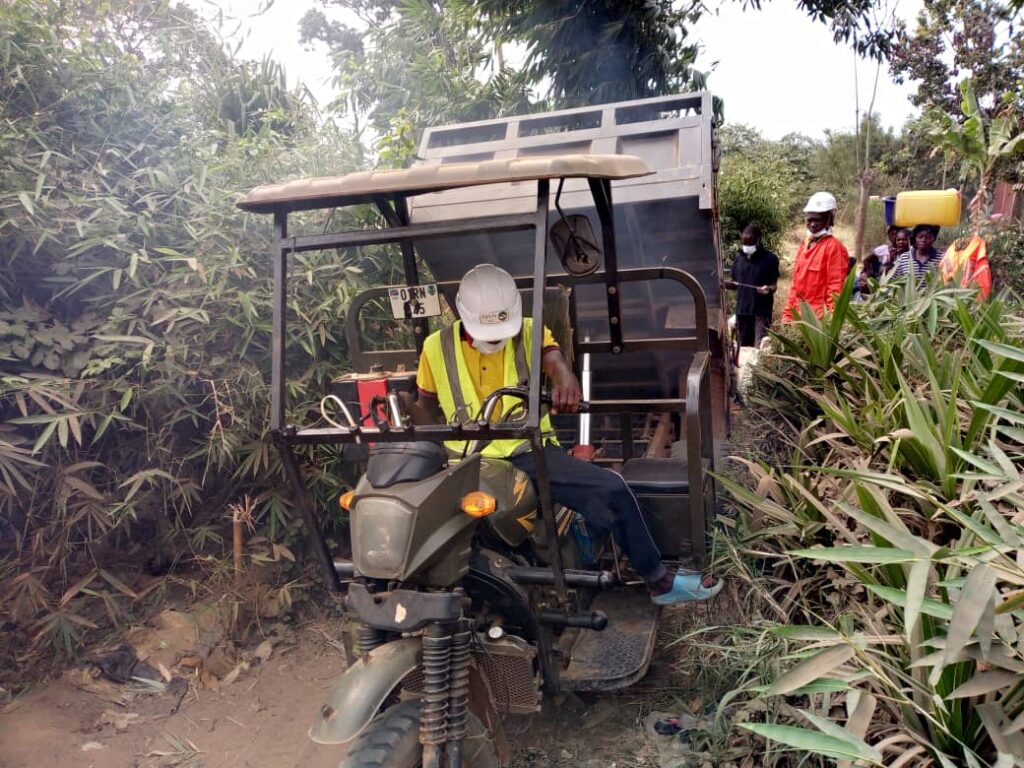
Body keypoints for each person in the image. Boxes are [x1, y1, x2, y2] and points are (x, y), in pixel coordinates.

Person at [410, 264, 722, 605]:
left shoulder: (530, 331)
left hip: (527, 452)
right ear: (463, 315)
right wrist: (417, 429)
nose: (496, 339)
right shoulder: (435, 346)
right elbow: (424, 405)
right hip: (463, 462)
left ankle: (658, 580)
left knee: (612, 490)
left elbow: (555, 363)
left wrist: (566, 381)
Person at [782, 192, 851, 323]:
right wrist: (788, 315)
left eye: (817, 220)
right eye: (810, 220)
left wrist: (832, 322)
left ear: (829, 220)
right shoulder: (804, 245)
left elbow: (835, 289)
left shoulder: (834, 248)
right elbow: (795, 287)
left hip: (818, 322)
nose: (812, 224)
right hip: (798, 318)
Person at [723, 224, 779, 347]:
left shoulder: (770, 259)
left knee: (760, 345)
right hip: (743, 310)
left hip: (761, 311)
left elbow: (774, 286)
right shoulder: (739, 257)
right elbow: (735, 283)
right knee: (743, 347)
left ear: (758, 241)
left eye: (750, 244)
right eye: (745, 243)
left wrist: (768, 289)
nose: (747, 247)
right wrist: (724, 284)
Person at [858, 227, 909, 295]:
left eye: (896, 234)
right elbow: (867, 260)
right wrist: (870, 273)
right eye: (892, 234)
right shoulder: (884, 249)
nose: (894, 237)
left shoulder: (906, 252)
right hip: (884, 279)